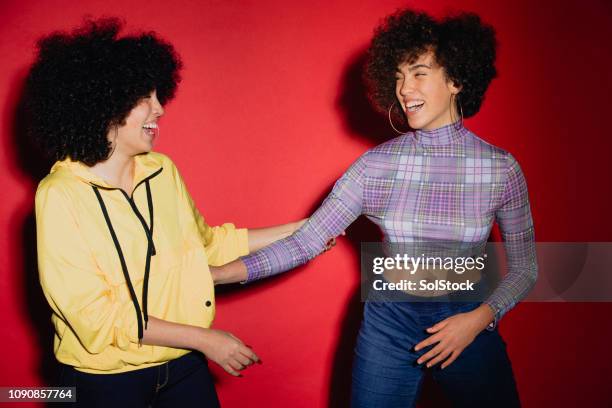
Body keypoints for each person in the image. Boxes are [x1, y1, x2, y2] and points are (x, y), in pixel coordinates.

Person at [212, 8, 537, 408]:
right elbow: (306, 241)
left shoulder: (500, 169)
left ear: (456, 80)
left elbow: (525, 268)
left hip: (465, 315)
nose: (405, 88)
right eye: (398, 77)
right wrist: (219, 274)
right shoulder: (374, 166)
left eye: (418, 73)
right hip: (390, 320)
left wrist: (479, 319)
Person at [28, 18, 316, 407]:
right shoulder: (60, 195)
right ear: (103, 106)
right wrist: (204, 339)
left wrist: (305, 228)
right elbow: (94, 318)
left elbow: (209, 246)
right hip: (104, 381)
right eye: (145, 98)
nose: (160, 109)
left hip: (182, 367)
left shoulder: (162, 171)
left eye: (158, 95)